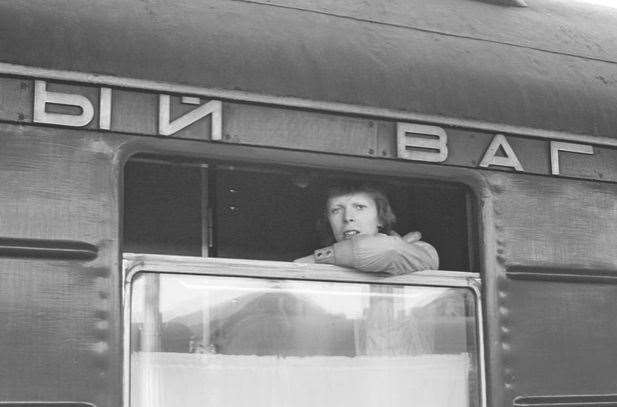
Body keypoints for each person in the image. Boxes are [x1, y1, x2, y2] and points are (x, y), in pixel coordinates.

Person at [294, 184, 439, 275]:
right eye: (336, 210)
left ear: (381, 219)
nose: (347, 217)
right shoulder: (322, 267)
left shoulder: (421, 249)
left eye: (359, 207)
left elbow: (388, 249)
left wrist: (313, 260)